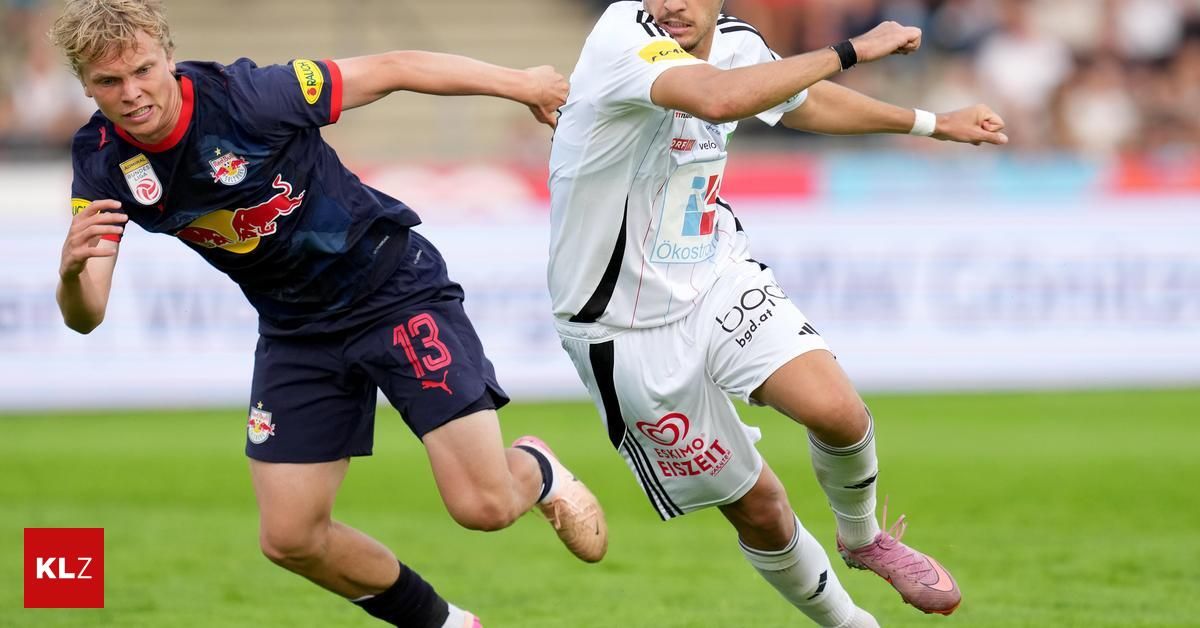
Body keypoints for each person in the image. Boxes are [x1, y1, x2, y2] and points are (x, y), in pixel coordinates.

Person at [50, 1, 607, 626]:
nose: (132, 94)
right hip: (295, 331)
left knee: (484, 507)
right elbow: (86, 314)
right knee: (289, 538)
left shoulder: (251, 97)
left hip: (391, 289)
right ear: (85, 84)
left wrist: (522, 83)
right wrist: (72, 272)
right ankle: (448, 623)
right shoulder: (101, 160)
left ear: (168, 58)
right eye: (108, 83)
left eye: (143, 71)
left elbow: (396, 66)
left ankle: (536, 469)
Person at [548, 1, 1006, 626]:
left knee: (838, 412)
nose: (672, 3)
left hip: (714, 275)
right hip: (621, 330)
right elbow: (715, 99)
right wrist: (851, 50)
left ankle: (864, 538)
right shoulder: (623, 38)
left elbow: (801, 101)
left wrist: (930, 123)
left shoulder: (737, 42)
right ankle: (851, 623)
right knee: (761, 507)